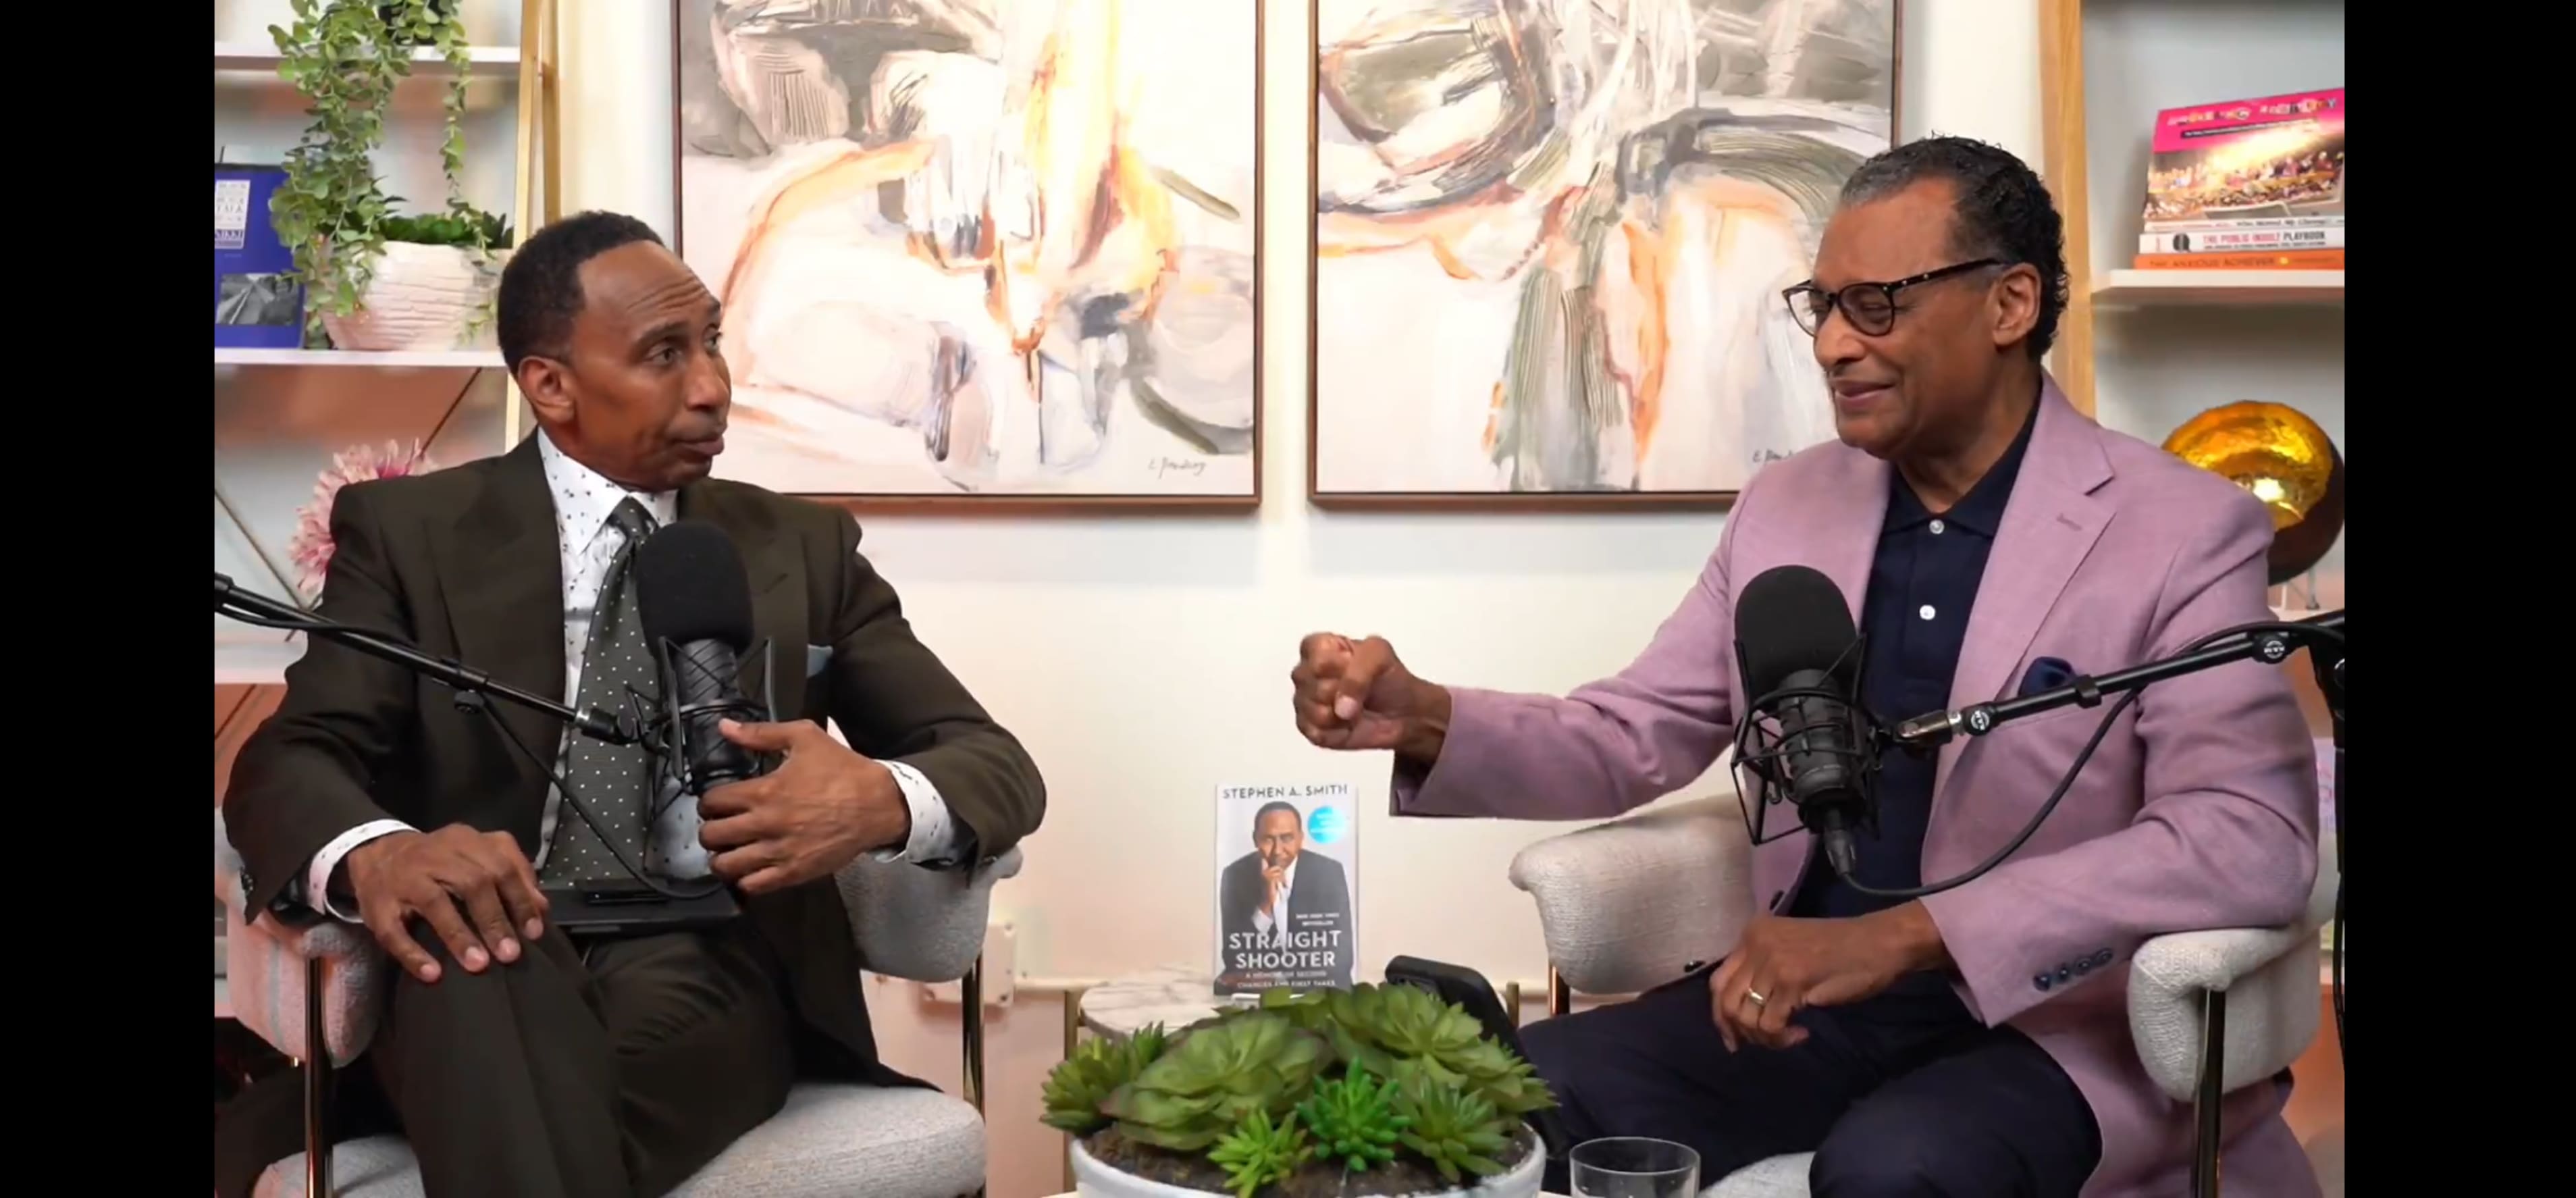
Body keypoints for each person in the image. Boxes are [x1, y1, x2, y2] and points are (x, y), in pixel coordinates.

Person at [1288, 137, 2320, 1198]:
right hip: (1800, 1015)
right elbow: (1634, 729)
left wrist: (1910, 936)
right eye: (1819, 305)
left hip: (2053, 1028)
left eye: (1875, 304)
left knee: (1892, 1171)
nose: (1831, 344)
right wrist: (1422, 718)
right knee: (1505, 1103)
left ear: (2011, 305)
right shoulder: (1786, 507)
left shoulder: (2181, 529)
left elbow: (2247, 841)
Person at [215, 211, 1045, 1198]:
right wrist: (384, 851)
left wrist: (881, 800)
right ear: (549, 384)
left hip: (705, 957)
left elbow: (991, 759)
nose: (711, 387)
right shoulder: (413, 533)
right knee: (471, 957)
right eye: (664, 354)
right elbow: (290, 757)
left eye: (711, 344)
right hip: (484, 935)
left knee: (503, 1076)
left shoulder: (800, 548)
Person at [1217, 802, 1354, 987]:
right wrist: (1266, 904)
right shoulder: (1235, 874)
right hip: (1260, 992)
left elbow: (1342, 955)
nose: (1278, 850)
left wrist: (1288, 983)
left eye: (1287, 838)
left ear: (1301, 838)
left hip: (1319, 989)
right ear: (1255, 839)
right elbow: (1234, 958)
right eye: (1268, 839)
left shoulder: (1329, 872)